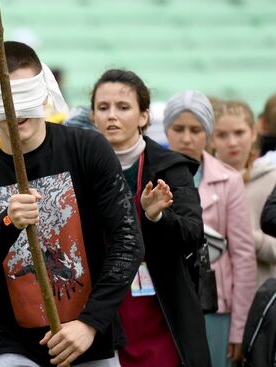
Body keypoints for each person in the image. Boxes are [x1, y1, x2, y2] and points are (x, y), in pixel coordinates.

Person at [0, 41, 144, 367]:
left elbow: (128, 240)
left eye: (24, 95)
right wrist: (6, 223)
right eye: (4, 99)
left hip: (91, 341)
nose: (17, 111)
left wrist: (89, 323)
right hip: (15, 345)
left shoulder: (87, 149)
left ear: (44, 91)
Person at [91, 69, 210, 367]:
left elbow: (194, 233)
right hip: (102, 310)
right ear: (93, 116)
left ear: (144, 116)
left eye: (123, 107)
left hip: (161, 309)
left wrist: (156, 216)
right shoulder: (81, 168)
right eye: (103, 108)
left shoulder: (170, 167)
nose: (111, 116)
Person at [164, 90, 257, 367]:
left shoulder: (229, 181)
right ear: (167, 130)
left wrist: (239, 328)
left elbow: (243, 257)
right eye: (178, 129)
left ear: (208, 133)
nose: (187, 138)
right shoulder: (149, 174)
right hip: (164, 305)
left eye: (196, 129)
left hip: (216, 307)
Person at [210, 99, 276, 287]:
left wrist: (250, 238)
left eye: (239, 133)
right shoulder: (200, 180)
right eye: (222, 135)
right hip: (215, 299)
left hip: (262, 296)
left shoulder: (272, 179)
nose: (232, 142)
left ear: (254, 133)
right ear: (211, 139)